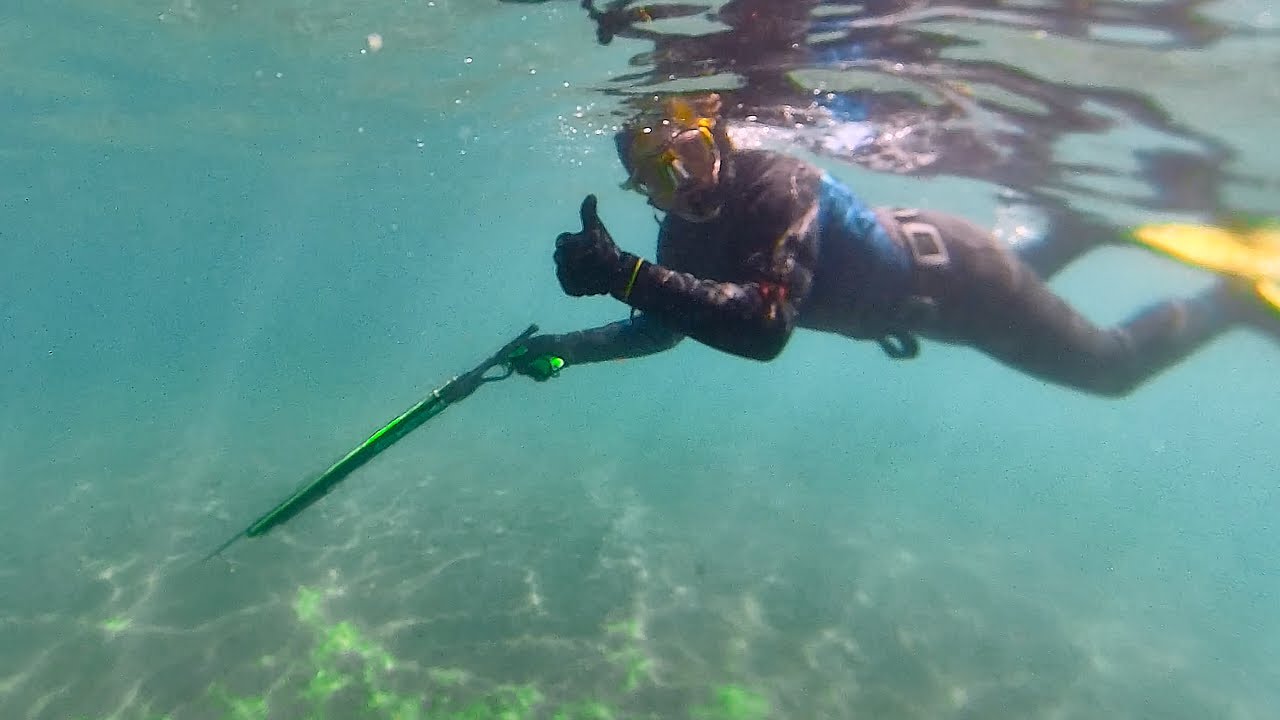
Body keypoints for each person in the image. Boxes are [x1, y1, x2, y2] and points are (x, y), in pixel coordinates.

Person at [510, 94, 1271, 397]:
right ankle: (1077, 228)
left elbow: (763, 326)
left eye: (689, 153)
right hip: (922, 280)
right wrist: (565, 350)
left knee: (1108, 368)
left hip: (961, 278)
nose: (682, 183)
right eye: (655, 175)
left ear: (720, 134)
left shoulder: (779, 184)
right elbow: (662, 326)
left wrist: (624, 273)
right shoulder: (682, 231)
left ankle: (1232, 301)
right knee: (1025, 288)